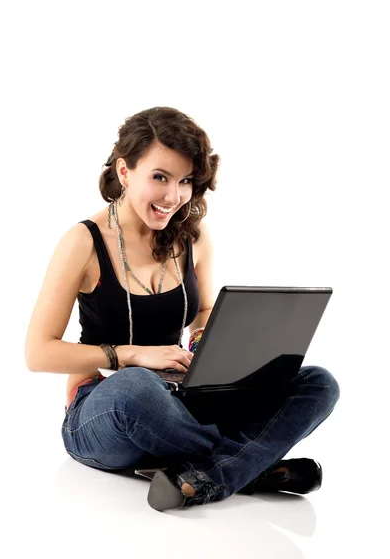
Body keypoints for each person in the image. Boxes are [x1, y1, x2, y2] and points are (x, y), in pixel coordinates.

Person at [25, 106, 340, 512]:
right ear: (124, 172)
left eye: (186, 181)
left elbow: (204, 310)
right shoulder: (83, 242)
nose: (173, 196)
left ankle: (204, 474)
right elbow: (38, 353)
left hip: (183, 402)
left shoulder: (193, 237)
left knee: (318, 383)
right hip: (106, 409)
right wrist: (131, 355)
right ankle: (252, 466)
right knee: (137, 387)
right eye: (160, 177)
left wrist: (209, 341)